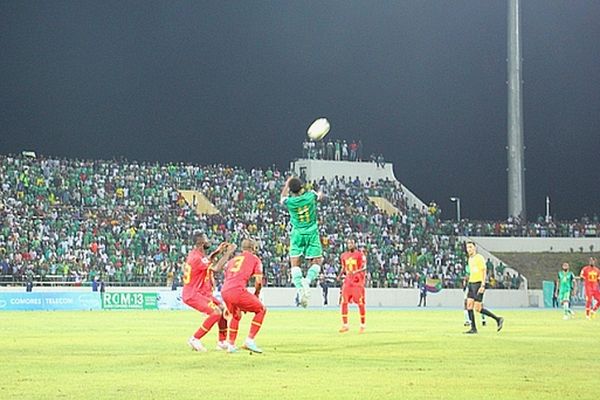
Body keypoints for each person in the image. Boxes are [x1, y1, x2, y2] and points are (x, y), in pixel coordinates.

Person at [182, 232, 236, 352]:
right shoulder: (196, 258)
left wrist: (218, 251)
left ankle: (222, 342)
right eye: (206, 240)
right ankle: (195, 338)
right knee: (215, 313)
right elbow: (216, 268)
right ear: (201, 242)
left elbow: (207, 260)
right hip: (193, 294)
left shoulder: (196, 254)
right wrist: (228, 253)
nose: (208, 242)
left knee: (222, 308)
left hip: (200, 292)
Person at [280, 176, 324, 307]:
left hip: (297, 233)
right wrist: (320, 191)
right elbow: (320, 196)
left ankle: (300, 289)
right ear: (302, 187)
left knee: (295, 263)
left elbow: (282, 198)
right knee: (317, 260)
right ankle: (307, 281)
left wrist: (287, 184)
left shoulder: (290, 202)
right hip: (311, 232)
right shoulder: (310, 196)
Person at [220, 239, 266, 354]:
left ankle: (231, 345)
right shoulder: (255, 259)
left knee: (236, 315)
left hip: (225, 290)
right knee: (261, 309)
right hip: (237, 291)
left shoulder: (232, 260)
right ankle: (249, 340)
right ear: (253, 248)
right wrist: (256, 294)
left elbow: (227, 276)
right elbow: (259, 281)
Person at [464, 241, 503, 334]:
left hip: (478, 284)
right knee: (469, 305)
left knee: (477, 308)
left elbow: (483, 271)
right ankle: (473, 328)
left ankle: (498, 319)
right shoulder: (470, 259)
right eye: (467, 247)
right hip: (471, 283)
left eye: (470, 247)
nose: (469, 249)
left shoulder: (479, 258)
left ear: (475, 248)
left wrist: (483, 284)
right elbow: (472, 272)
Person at [337, 238, 367, 333]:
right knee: (344, 302)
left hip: (357, 282)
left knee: (360, 303)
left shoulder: (360, 255)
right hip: (347, 281)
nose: (350, 244)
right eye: (348, 243)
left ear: (354, 244)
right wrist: (339, 276)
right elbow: (343, 268)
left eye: (351, 243)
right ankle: (345, 325)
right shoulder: (343, 256)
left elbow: (364, 267)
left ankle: (362, 325)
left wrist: (356, 272)